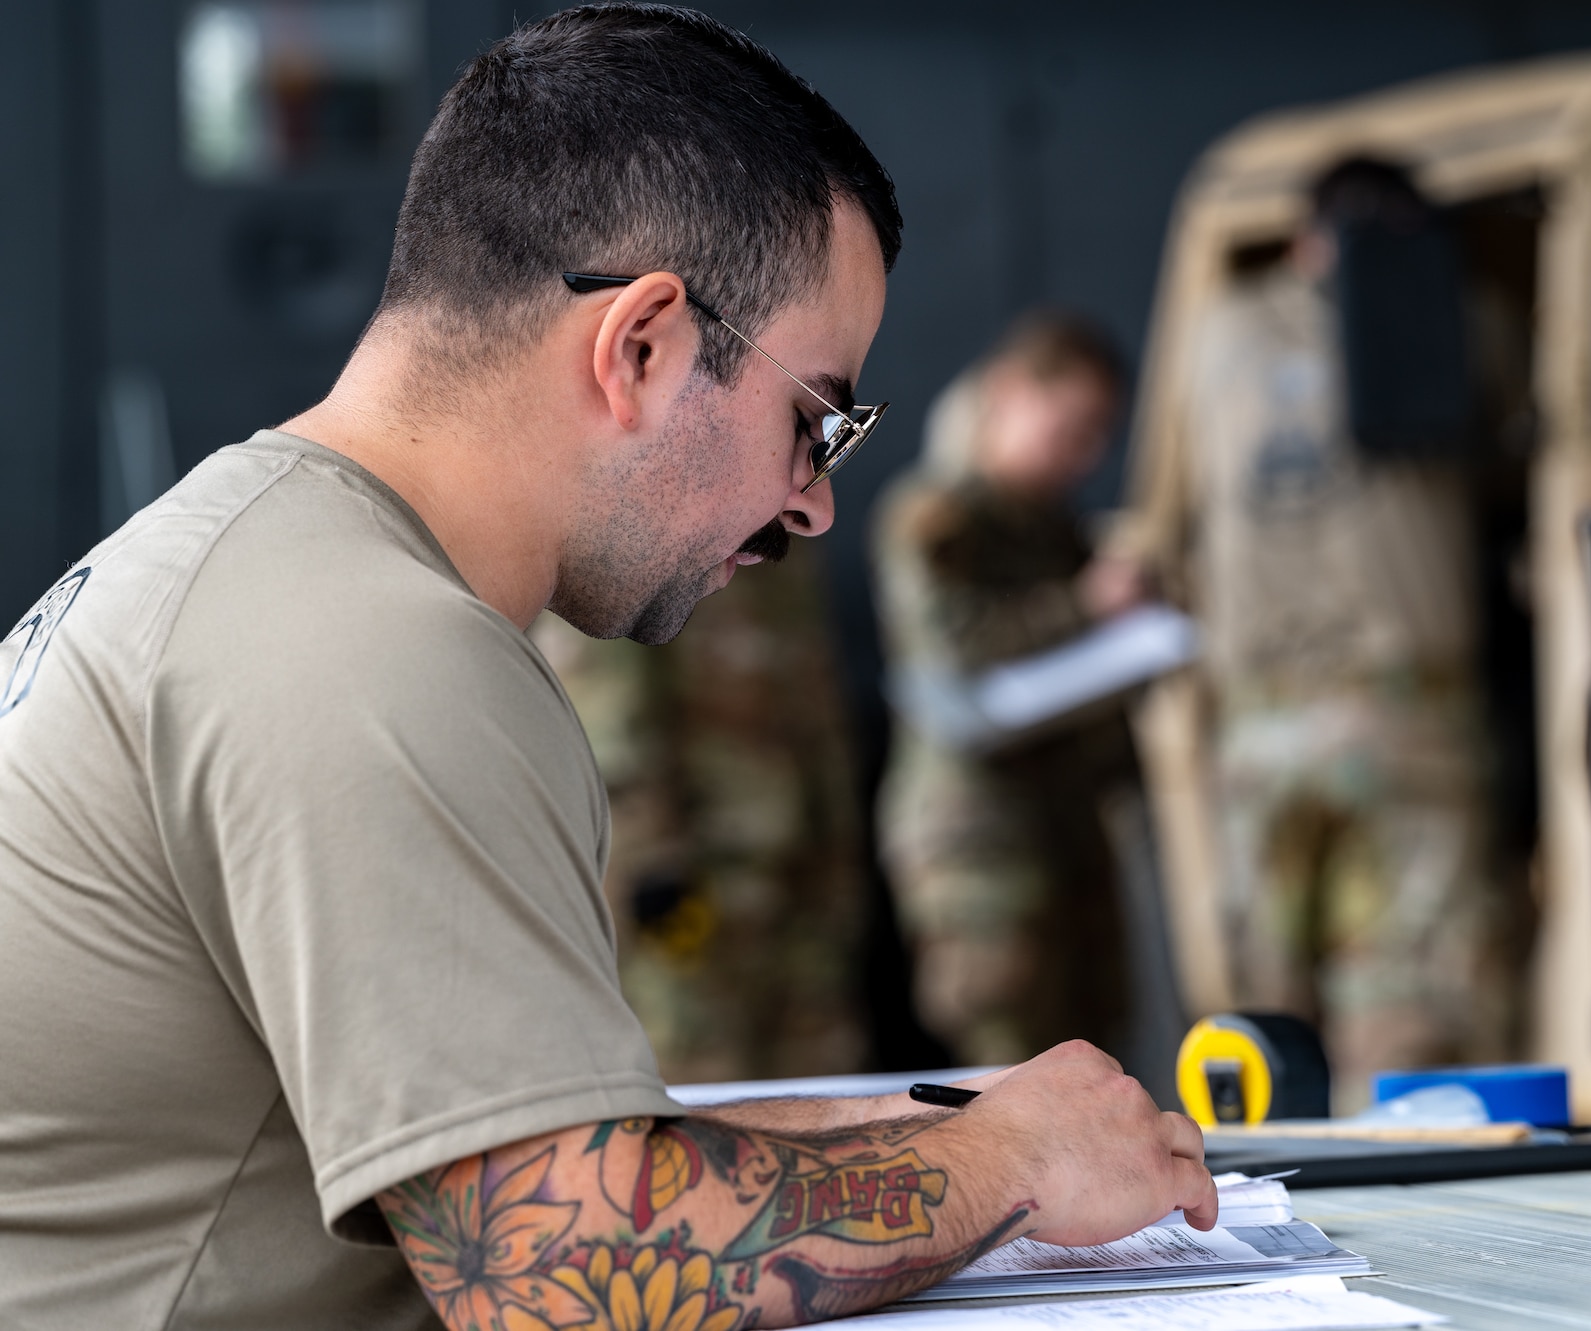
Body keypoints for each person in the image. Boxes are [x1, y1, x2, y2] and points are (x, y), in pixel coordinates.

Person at [0, 9, 1215, 1330]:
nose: (811, 506)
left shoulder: (257, 567)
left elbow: (503, 1171)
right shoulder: (374, 647)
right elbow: (559, 1271)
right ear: (640, 345)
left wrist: (927, 1121)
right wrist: (1012, 1161)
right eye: (817, 419)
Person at [1123, 157, 1514, 1108]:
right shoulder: (1464, 318)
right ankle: (1413, 1233)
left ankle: (1266, 1221)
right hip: (1408, 721)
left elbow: (1165, 515)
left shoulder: (1215, 333)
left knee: (1262, 1016)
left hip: (1258, 731)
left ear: (1308, 237)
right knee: (1409, 1008)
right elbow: (1514, 473)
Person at [873, 313, 1146, 1067]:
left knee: (1094, 1064)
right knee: (1010, 1074)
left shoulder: (1054, 529)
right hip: (980, 848)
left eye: (1098, 435)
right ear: (1010, 392)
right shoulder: (936, 518)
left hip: (1067, 838)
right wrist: (1087, 605)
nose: (1083, 455)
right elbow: (954, 651)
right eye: (1070, 427)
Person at [531, 535, 872, 1085]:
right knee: (704, 1070)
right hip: (698, 870)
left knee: (817, 1064)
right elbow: (613, 732)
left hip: (798, 856)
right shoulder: (635, 535)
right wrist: (654, 864)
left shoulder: (780, 537)